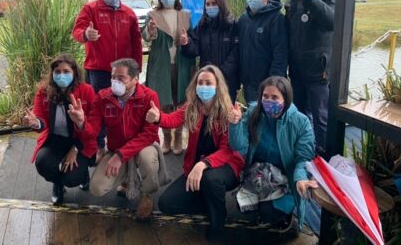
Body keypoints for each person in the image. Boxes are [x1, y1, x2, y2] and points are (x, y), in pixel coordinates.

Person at [146, 65, 245, 242]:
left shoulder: (227, 111)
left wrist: (203, 164)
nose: (204, 86)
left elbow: (228, 150)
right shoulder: (192, 106)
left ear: (218, 86)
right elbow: (172, 119)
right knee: (166, 204)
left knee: (211, 179)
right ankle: (210, 201)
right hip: (197, 167)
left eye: (208, 83)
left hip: (225, 166)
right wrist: (158, 117)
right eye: (200, 82)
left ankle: (218, 224)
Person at [76, 58, 168, 221]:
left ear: (135, 79)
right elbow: (92, 132)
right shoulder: (103, 97)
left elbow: (149, 134)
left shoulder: (149, 97)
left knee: (148, 160)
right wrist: (82, 124)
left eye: (121, 78)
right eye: (113, 77)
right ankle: (126, 180)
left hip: (143, 147)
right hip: (116, 149)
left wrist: (120, 156)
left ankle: (146, 195)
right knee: (96, 188)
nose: (115, 82)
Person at [228, 76, 317, 232]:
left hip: (285, 180)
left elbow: (303, 158)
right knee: (243, 206)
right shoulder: (254, 112)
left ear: (286, 98)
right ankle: (264, 204)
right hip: (259, 174)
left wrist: (300, 178)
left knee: (269, 212)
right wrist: (234, 125)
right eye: (265, 97)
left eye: (275, 97)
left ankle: (285, 214)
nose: (269, 101)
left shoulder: (301, 122)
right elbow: (239, 146)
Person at [72, 0, 143, 159]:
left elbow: (136, 42)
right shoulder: (90, 9)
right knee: (100, 108)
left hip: (125, 73)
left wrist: (137, 69)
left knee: (124, 107)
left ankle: (123, 144)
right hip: (99, 70)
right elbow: (77, 31)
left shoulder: (129, 14)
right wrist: (86, 34)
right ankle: (99, 145)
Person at [24, 53, 97, 205]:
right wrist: (36, 123)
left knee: (71, 178)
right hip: (55, 139)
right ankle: (57, 184)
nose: (61, 75)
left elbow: (94, 129)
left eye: (66, 71)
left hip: (80, 141)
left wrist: (81, 126)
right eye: (57, 72)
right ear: (52, 74)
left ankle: (83, 175)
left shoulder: (86, 91)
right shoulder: (44, 91)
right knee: (43, 163)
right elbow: (41, 119)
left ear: (74, 72)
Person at [284, 0, 335, 153]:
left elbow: (332, 21)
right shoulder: (291, 3)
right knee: (299, 114)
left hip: (318, 72)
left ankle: (323, 158)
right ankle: (303, 153)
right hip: (297, 71)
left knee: (320, 118)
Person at [142, 0, 195, 155]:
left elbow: (193, 40)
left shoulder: (185, 15)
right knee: (163, 100)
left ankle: (179, 137)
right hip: (161, 65)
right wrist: (150, 30)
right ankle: (166, 137)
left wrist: (188, 42)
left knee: (181, 99)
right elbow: (145, 36)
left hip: (182, 65)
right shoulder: (153, 15)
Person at [180, 0, 239, 102]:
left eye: (214, 3)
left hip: (227, 80)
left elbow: (236, 52)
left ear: (221, 4)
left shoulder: (232, 25)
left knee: (225, 114)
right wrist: (186, 43)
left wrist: (219, 73)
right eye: (208, 4)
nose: (210, 7)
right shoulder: (202, 26)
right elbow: (195, 49)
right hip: (206, 82)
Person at [238, 0, 288, 103]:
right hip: (248, 83)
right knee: (253, 115)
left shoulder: (276, 18)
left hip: (267, 83)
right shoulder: (244, 19)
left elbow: (280, 53)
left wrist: (274, 82)